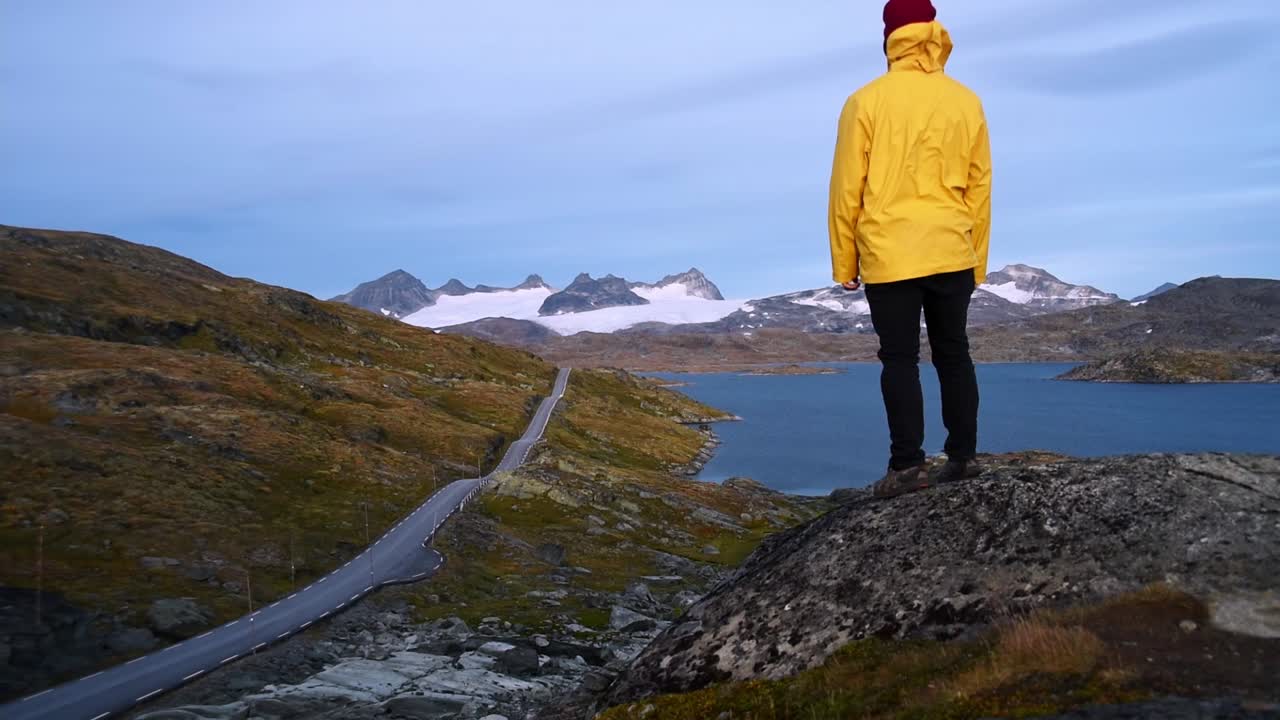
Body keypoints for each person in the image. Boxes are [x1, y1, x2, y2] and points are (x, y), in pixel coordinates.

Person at [827, 0, 992, 499]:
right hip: (951, 248)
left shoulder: (865, 101)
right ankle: (963, 456)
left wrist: (844, 262)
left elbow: (846, 188)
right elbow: (979, 187)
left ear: (889, 39)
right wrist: (976, 259)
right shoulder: (966, 101)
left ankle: (907, 468)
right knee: (954, 355)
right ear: (935, 34)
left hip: (890, 251)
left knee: (899, 360)